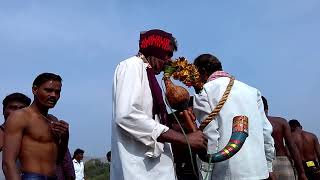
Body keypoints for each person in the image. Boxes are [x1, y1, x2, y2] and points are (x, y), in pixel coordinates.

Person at [111, 29, 207, 180]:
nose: (169, 61)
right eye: (167, 54)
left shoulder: (149, 75)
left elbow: (150, 120)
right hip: (140, 170)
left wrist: (178, 121)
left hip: (158, 168)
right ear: (154, 50)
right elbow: (126, 115)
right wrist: (185, 139)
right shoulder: (131, 66)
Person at [192, 53, 275, 179]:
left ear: (202, 72)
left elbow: (210, 137)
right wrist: (268, 166)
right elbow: (266, 132)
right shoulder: (253, 91)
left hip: (227, 173)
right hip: (259, 171)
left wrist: (205, 175)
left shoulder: (205, 91)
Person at [2, 73, 69, 180]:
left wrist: (65, 137)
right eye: (48, 90)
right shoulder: (20, 116)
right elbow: (8, 163)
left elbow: (58, 159)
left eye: (57, 92)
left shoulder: (54, 120)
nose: (53, 95)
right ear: (35, 90)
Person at [262, 96, 307, 180]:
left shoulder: (252, 123)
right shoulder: (281, 122)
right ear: (267, 109)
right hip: (283, 163)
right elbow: (292, 147)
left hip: (262, 165)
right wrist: (301, 172)